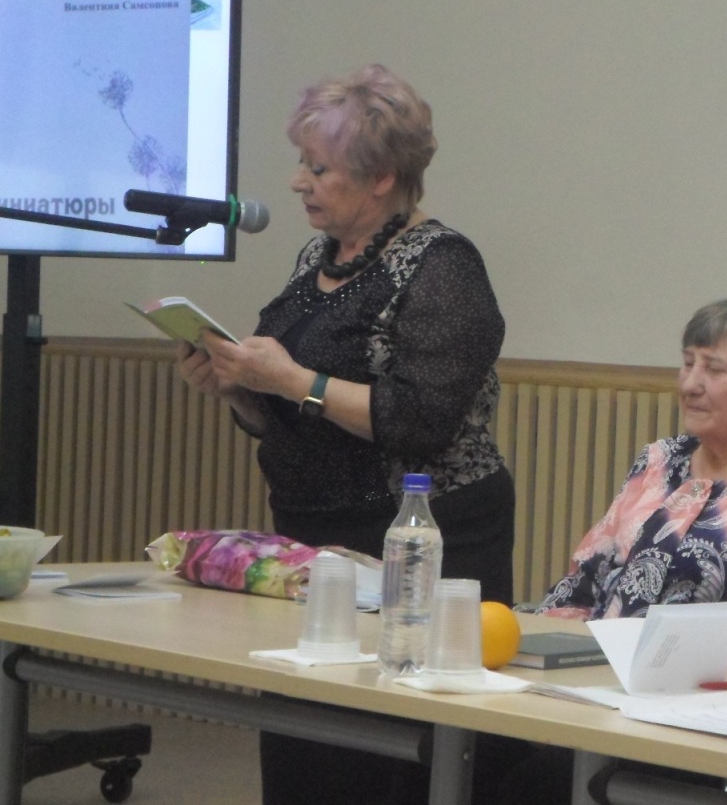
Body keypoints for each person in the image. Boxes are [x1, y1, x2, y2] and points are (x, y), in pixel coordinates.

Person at [175, 64, 516, 805]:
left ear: (381, 177)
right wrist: (240, 388)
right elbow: (291, 411)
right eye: (301, 162)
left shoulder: (444, 267)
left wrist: (293, 380)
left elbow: (421, 422)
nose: (298, 182)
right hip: (315, 542)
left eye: (318, 167)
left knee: (393, 759)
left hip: (418, 539)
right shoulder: (317, 260)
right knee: (309, 747)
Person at [536, 296, 727, 651]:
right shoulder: (661, 460)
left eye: (714, 370)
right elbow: (578, 588)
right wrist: (545, 648)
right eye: (688, 364)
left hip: (700, 677)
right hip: (595, 664)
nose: (689, 385)